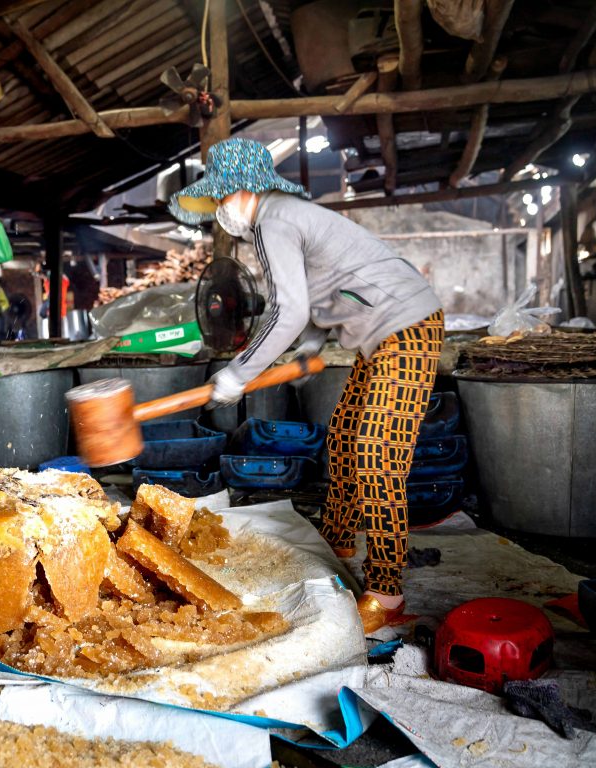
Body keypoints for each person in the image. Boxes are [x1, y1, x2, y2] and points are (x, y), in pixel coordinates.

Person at [169, 138, 444, 634]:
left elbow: (288, 310)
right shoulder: (280, 219)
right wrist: (309, 349)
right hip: (382, 335)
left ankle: (387, 591)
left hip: (405, 326)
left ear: (243, 191)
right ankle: (336, 541)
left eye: (220, 200)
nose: (219, 211)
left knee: (375, 453)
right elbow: (318, 294)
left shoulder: (275, 220)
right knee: (342, 440)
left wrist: (237, 374)